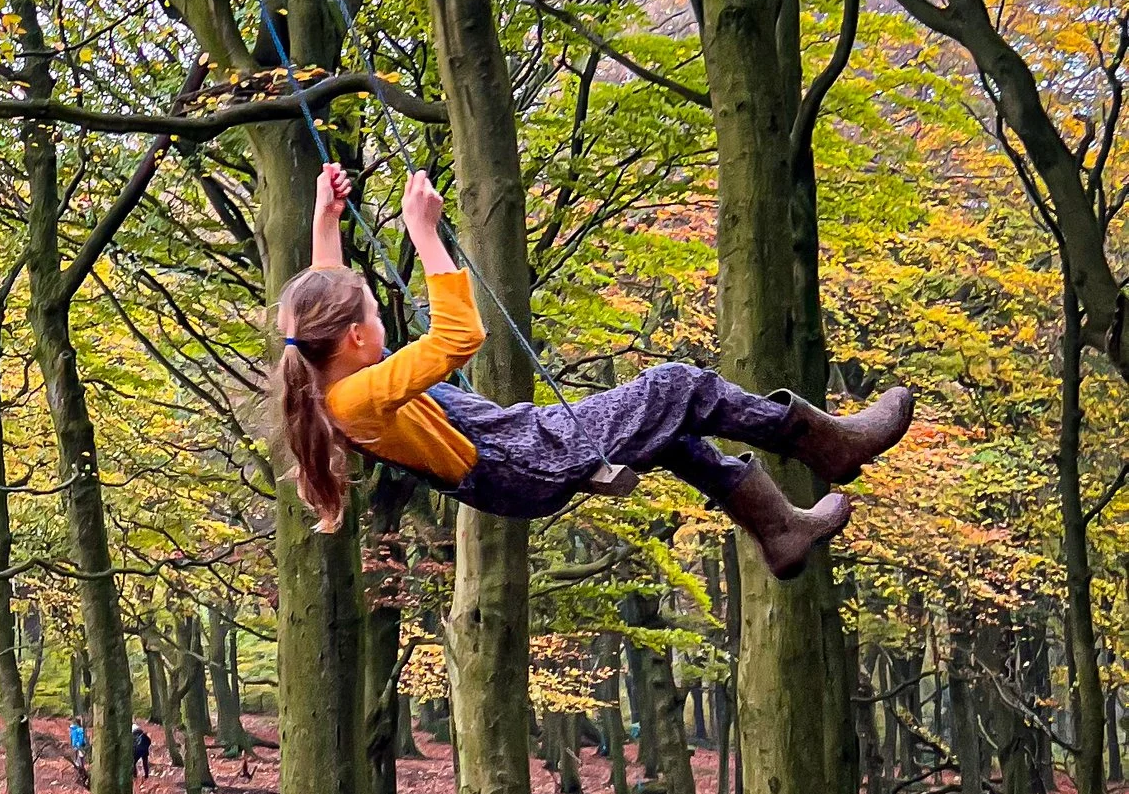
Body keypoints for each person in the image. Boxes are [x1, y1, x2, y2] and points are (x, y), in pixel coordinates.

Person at [260, 165, 912, 581]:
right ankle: (823, 440)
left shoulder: (328, 380)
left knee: (671, 431)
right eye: (371, 313)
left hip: (519, 449)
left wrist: (326, 220)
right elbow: (460, 336)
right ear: (352, 337)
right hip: (520, 460)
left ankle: (779, 528)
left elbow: (327, 304)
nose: (379, 319)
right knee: (677, 386)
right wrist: (427, 235)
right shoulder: (359, 395)